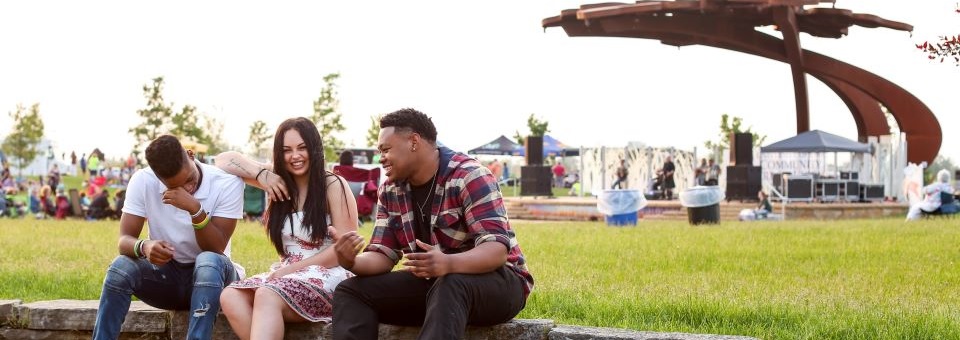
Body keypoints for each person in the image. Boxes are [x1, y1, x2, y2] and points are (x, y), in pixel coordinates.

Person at [330, 108, 534, 340]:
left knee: (450, 283)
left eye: (386, 149)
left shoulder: (469, 175)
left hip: (499, 283)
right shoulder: (390, 189)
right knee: (351, 291)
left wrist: (448, 263)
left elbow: (496, 251)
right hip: (436, 285)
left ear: (414, 141)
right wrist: (351, 261)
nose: (381, 158)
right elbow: (382, 255)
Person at [212, 117, 359, 340]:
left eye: (302, 148)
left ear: (315, 148)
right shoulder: (277, 181)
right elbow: (223, 160)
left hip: (328, 274)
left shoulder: (332, 184)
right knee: (231, 296)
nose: (295, 156)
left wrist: (288, 271)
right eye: (286, 150)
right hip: (286, 275)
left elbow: (344, 249)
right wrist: (263, 174)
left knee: (267, 294)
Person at [92, 134, 245, 340]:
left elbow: (216, 247)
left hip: (213, 280)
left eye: (189, 180)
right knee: (120, 267)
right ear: (159, 178)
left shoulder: (226, 183)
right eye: (176, 187)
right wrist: (144, 246)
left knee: (208, 261)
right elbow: (124, 241)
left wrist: (195, 209)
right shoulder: (143, 180)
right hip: (166, 278)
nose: (187, 189)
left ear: (191, 155)